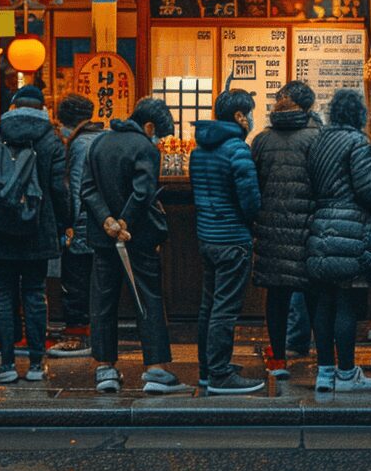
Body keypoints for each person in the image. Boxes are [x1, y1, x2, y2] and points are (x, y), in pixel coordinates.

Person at [80, 97, 186, 395]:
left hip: (102, 237)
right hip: (137, 237)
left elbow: (86, 188)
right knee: (147, 298)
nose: (157, 139)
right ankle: (155, 369)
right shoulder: (144, 148)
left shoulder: (99, 143)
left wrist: (107, 221)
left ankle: (105, 368)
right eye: (158, 133)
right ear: (149, 125)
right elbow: (143, 193)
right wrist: (124, 223)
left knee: (102, 300)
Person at [0, 85, 68, 385]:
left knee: (2, 293)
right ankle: (37, 363)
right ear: (42, 109)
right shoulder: (52, 141)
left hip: (0, 226)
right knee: (35, 292)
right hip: (38, 227)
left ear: (13, 107)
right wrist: (62, 223)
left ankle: (7, 364)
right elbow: (59, 190)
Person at [306, 89, 371, 394]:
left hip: (320, 225)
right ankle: (346, 373)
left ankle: (324, 372)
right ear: (359, 114)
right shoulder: (358, 142)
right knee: (345, 301)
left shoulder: (318, 140)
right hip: (350, 226)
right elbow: (367, 189)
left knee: (323, 300)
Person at [190, 88, 263, 395]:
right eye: (249, 113)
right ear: (238, 116)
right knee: (225, 309)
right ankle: (220, 374)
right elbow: (249, 199)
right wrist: (252, 222)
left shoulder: (200, 149)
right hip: (233, 238)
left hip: (207, 236)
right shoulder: (237, 149)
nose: (251, 119)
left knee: (209, 306)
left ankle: (208, 370)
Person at [252, 81, 323, 379]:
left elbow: (253, 185)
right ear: (308, 108)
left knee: (277, 296)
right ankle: (326, 363)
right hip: (308, 226)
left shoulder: (261, 140)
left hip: (270, 228)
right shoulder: (318, 139)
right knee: (315, 295)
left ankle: (278, 361)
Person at [52, 93, 105, 359]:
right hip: (100, 220)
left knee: (77, 280)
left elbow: (75, 188)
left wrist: (69, 223)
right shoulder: (100, 137)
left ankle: (79, 337)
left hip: (83, 222)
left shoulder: (79, 144)